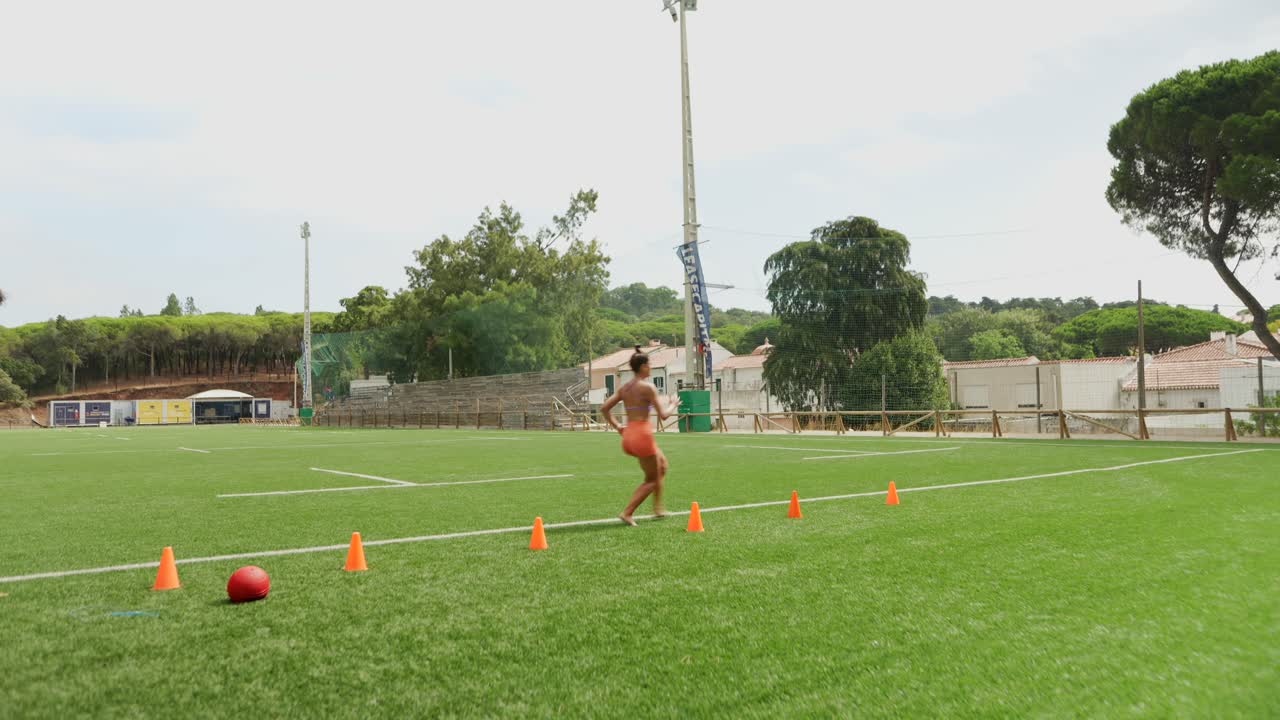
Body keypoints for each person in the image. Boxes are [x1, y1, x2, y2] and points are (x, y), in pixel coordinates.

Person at [600, 346, 679, 526]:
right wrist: (673, 404)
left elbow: (604, 408)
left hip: (629, 435)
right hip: (643, 435)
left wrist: (619, 427)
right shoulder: (648, 388)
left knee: (663, 466)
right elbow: (664, 415)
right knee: (652, 478)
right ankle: (627, 513)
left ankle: (658, 509)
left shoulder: (624, 388)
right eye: (649, 364)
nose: (651, 367)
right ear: (643, 366)